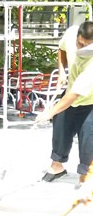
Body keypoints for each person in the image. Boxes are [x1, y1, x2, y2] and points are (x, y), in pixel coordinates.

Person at [37, 21, 93, 185]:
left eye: (87, 46)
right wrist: (62, 72)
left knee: (88, 137)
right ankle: (57, 166)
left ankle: (87, 174)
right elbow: (61, 49)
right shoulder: (70, 34)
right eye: (80, 43)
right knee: (60, 128)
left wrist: (49, 112)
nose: (81, 48)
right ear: (77, 36)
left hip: (89, 101)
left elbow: (74, 95)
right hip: (70, 93)